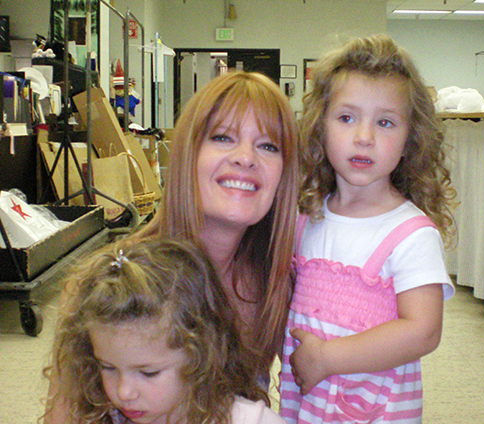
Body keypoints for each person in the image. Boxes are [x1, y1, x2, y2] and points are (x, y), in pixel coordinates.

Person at [44, 70, 299, 423]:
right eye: (223, 137)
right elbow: (65, 414)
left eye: (268, 145)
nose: (246, 157)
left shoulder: (276, 283)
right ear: (187, 154)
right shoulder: (108, 283)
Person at [279, 34, 456, 424]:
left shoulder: (411, 233)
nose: (364, 137)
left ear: (410, 139)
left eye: (385, 122)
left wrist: (327, 358)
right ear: (320, 127)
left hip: (373, 410)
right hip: (306, 403)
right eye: (346, 117)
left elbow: (423, 331)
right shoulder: (306, 217)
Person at [43, 236, 287, 424]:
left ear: (201, 355)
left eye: (148, 373)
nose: (124, 392)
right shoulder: (105, 416)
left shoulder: (249, 420)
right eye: (108, 368)